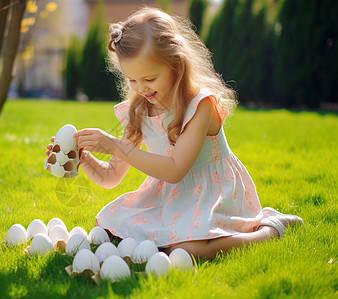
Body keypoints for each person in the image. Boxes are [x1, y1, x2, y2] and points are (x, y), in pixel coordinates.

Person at [47, 7, 303, 260]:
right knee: (107, 227)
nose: (140, 88)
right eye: (132, 80)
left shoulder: (200, 105)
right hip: (168, 195)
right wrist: (83, 159)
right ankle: (169, 239)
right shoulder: (139, 109)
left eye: (149, 78)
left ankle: (269, 228)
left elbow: (175, 169)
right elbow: (112, 176)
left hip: (211, 192)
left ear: (176, 64)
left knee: (186, 251)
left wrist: (115, 145)